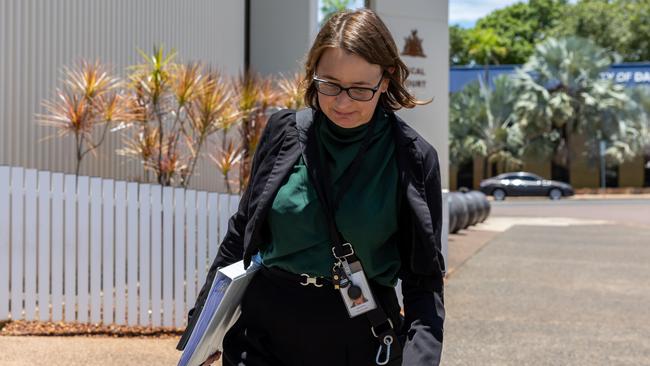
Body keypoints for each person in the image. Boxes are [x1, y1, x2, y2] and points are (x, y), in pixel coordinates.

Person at [178, 8, 445, 366]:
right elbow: (241, 233)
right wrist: (203, 327)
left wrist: (419, 360)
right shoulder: (283, 133)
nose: (342, 102)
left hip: (358, 339)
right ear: (313, 75)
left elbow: (423, 280)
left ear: (386, 79)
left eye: (360, 89)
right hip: (262, 333)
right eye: (329, 84)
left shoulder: (413, 159)